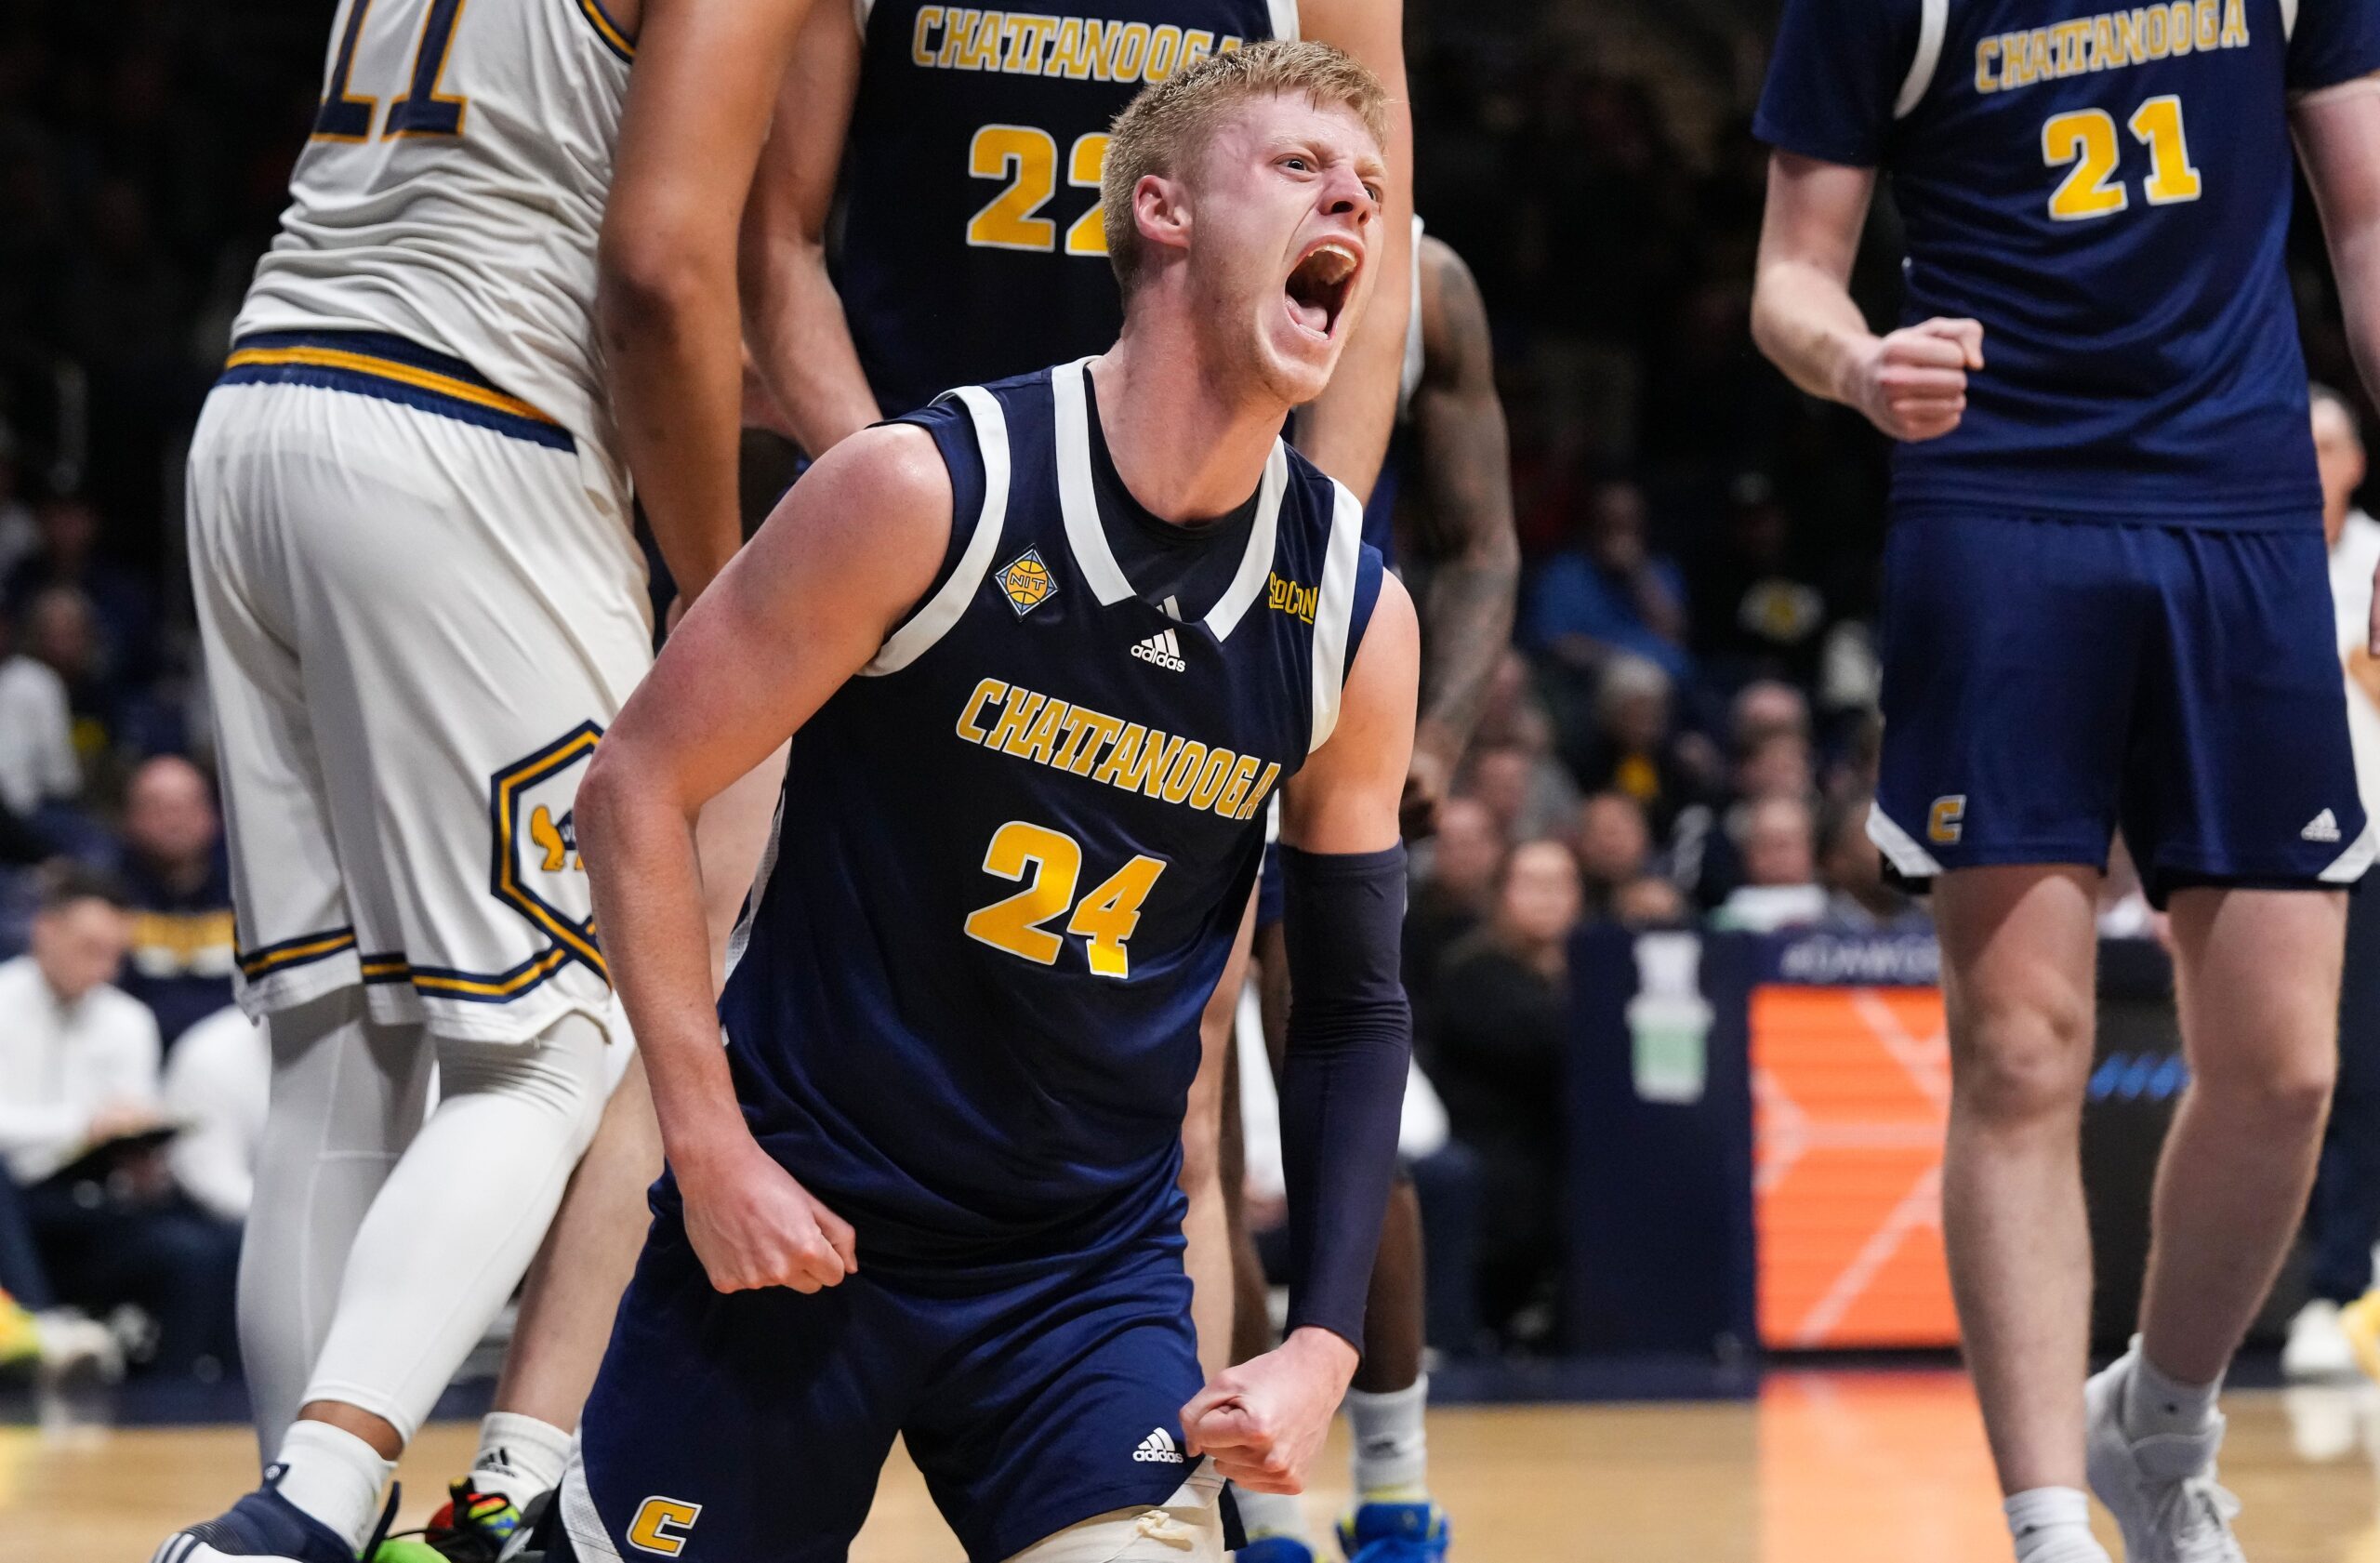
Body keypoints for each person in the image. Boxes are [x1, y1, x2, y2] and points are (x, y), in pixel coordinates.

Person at [546, 44, 1416, 1563]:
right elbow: (634, 790)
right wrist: (708, 1147)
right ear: (1160, 211)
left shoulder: (1349, 604)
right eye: (1298, 168)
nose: (1351, 194)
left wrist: (1324, 1340)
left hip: (1079, 1277)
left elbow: (1346, 997)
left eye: (1370, 188)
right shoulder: (928, 490)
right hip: (804, 1230)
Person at [150, 0, 826, 1556]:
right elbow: (658, 268)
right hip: (473, 440)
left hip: (263, 410)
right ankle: (319, 1496)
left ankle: (283, 1511)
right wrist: (719, 585)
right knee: (556, 1038)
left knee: (339, 1051)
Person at [1752, 0, 2380, 1555]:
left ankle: (2155, 1424)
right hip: (2003, 505)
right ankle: (2046, 1520)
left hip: (2240, 509)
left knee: (2288, 1065)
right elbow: (1787, 279)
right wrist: (1856, 363)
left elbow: (2365, 218)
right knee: (2025, 1048)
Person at [0, 868, 241, 1376]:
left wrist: (143, 1156)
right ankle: (45, 1334)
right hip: (14, 1202)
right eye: (90, 948)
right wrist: (82, 1124)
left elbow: (130, 1120)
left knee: (198, 1250)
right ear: (46, 931)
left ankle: (175, 1404)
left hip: (88, 1200)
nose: (104, 969)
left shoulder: (129, 1019)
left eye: (115, 954)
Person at [2290, 385, 2380, 1380]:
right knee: (2289, 1076)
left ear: (2355, 462)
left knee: (2360, 1074)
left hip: (2371, 847)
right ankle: (2324, 1283)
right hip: (2273, 851)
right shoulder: (2249, 557)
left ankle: (2346, 1283)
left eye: (2325, 444)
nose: (2309, 460)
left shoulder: (2374, 564)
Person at [1427, 839, 1579, 1346]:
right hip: (1499, 1161)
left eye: (1559, 884)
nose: (1546, 897)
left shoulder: (1591, 975)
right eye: (1531, 883)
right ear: (1501, 893)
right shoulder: (1472, 971)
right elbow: (1544, 1047)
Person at [115, 754, 238, 1049]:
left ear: (214, 816)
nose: (173, 820)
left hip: (236, 1061)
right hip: (143, 1060)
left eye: (186, 805)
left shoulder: (247, 895)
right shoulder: (107, 896)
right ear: (130, 818)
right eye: (156, 807)